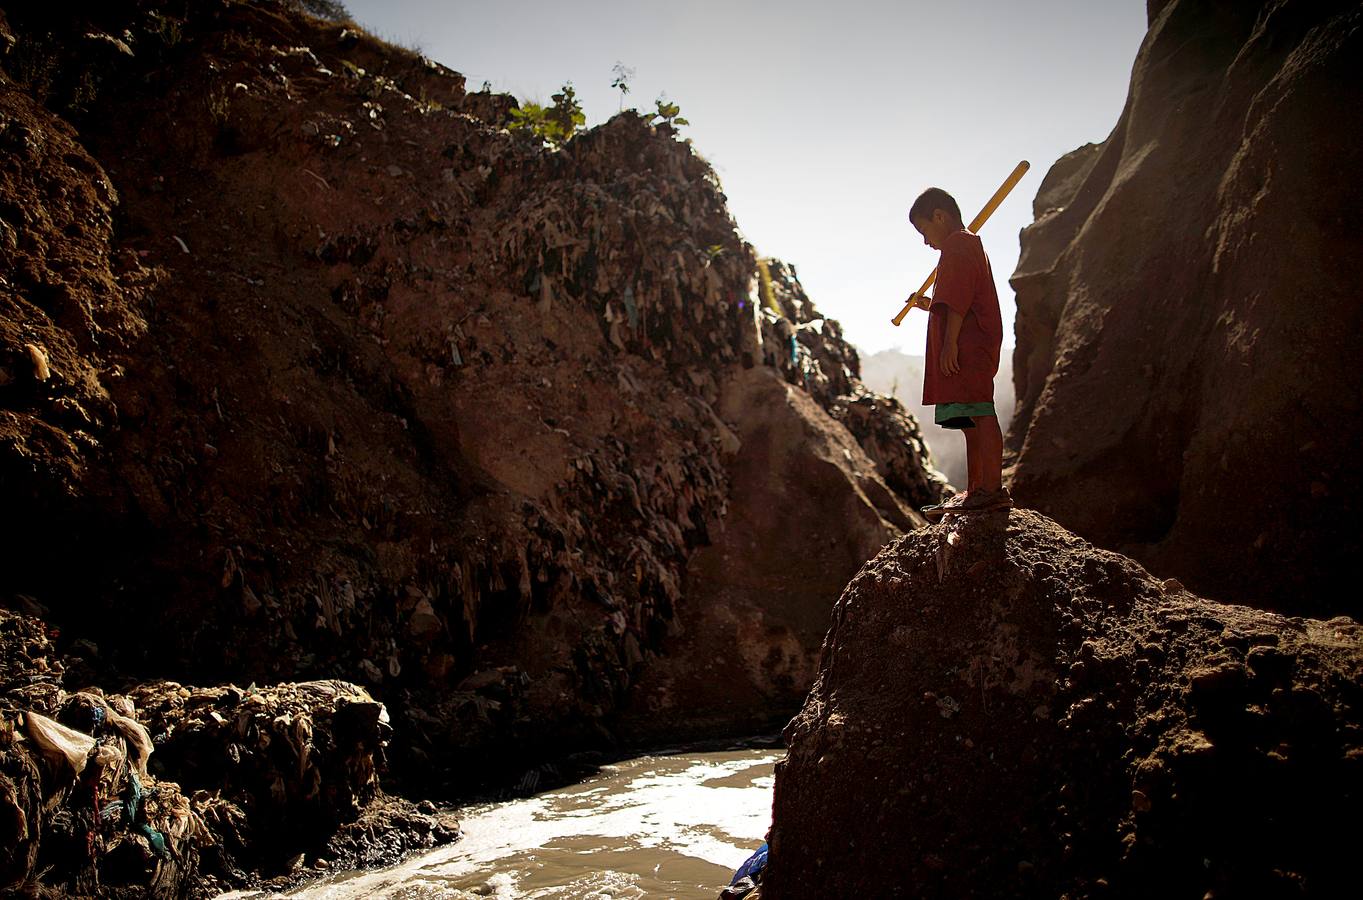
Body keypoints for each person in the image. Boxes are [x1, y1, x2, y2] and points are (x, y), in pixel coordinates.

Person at [908, 187, 1012, 518]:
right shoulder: (962, 247)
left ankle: (992, 490)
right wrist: (929, 306)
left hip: (968, 346)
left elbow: (959, 301)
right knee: (970, 418)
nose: (925, 242)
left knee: (980, 412)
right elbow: (955, 297)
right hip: (965, 343)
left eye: (924, 231)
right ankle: (977, 489)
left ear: (940, 216)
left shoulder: (960, 245)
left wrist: (950, 342)